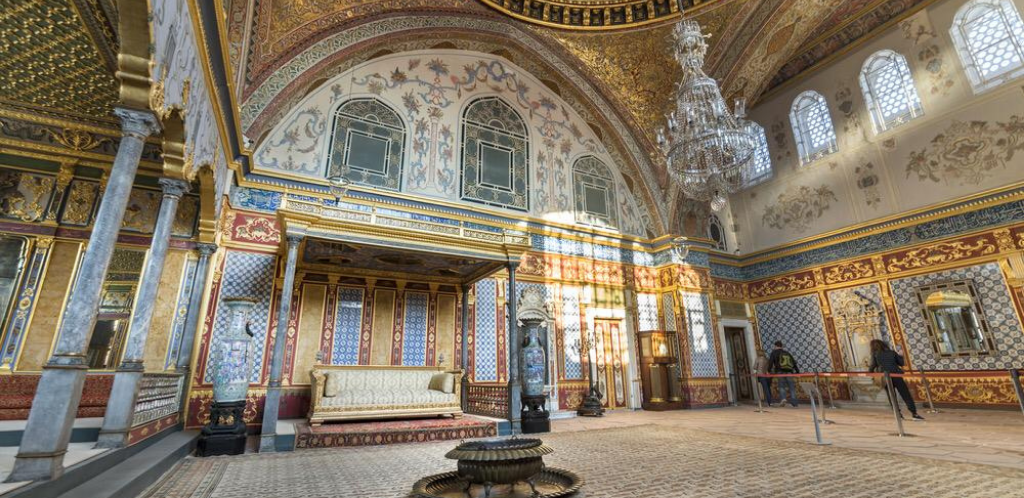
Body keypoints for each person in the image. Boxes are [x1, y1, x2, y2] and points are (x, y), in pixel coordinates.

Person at [869, 339, 924, 421]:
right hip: (896, 375)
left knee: (892, 396)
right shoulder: (892, 352)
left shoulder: (876, 354)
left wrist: (872, 374)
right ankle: (914, 414)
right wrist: (901, 355)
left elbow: (872, 366)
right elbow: (901, 363)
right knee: (906, 394)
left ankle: (898, 415)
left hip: (885, 377)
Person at [768, 341, 799, 407]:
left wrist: (769, 370)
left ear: (775, 346)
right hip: (789, 371)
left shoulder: (774, 353)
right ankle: (794, 402)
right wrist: (797, 371)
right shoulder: (787, 353)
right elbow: (793, 362)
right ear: (782, 346)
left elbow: (770, 362)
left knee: (782, 386)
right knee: (791, 387)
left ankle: (783, 399)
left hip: (780, 371)